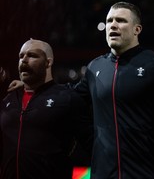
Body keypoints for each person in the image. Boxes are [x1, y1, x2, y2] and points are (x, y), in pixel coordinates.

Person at [74, 2, 154, 178]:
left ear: (137, 29)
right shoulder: (94, 67)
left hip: (145, 171)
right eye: (109, 21)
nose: (113, 25)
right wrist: (93, 142)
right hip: (104, 172)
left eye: (121, 20)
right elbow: (71, 100)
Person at [0, 39, 93, 179]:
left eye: (32, 55)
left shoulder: (67, 99)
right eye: (21, 56)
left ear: (48, 62)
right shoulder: (8, 100)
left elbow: (93, 146)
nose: (24, 60)